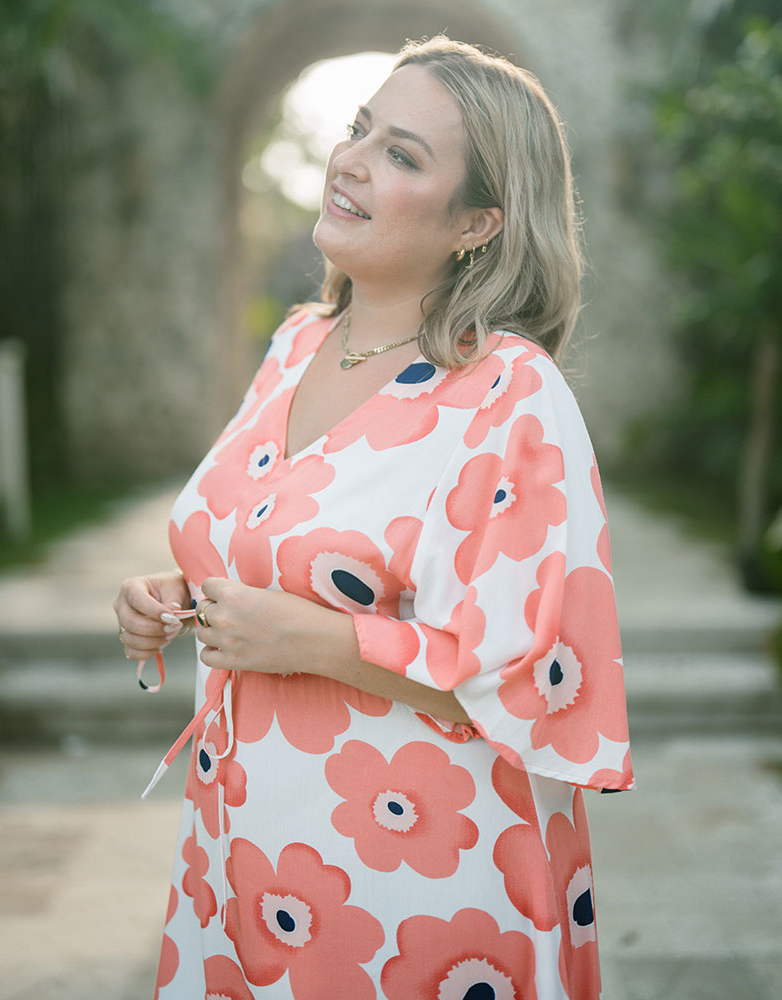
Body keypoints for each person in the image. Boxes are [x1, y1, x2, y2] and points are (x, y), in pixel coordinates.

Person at [114, 35, 633, 1000]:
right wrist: (178, 595)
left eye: (401, 154)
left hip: (418, 878)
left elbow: (532, 678)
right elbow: (280, 543)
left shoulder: (508, 392)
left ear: (477, 222)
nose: (350, 160)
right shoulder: (295, 344)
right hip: (240, 851)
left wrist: (315, 642)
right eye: (360, 130)